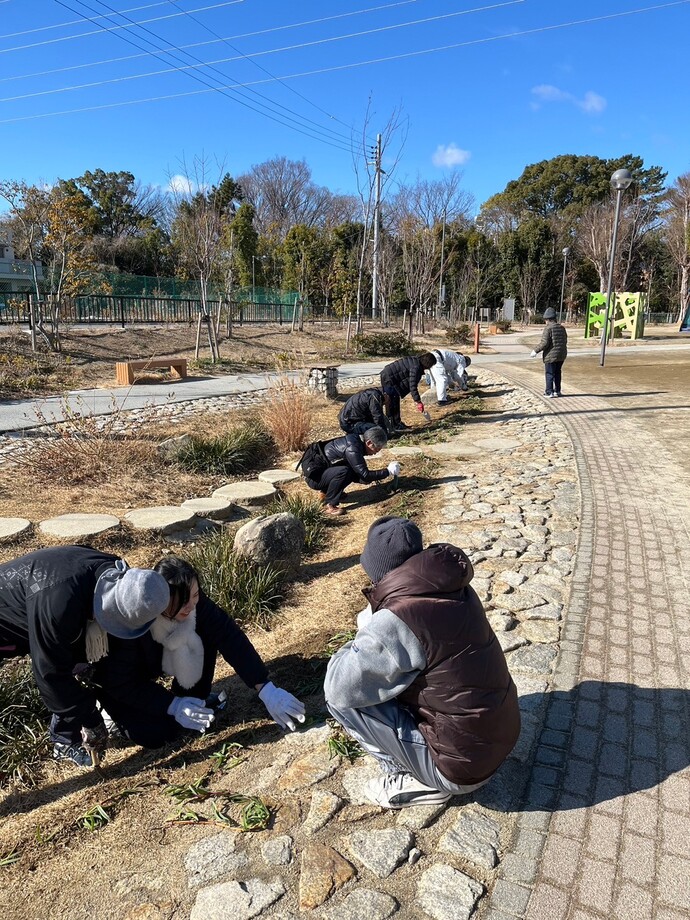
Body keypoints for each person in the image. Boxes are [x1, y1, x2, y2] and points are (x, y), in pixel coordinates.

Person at [324, 516, 521, 809]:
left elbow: (339, 686)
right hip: (500, 735)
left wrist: (365, 631)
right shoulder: (451, 587)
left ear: (377, 570)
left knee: (342, 700)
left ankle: (415, 780)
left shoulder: (397, 619)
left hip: (462, 769)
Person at [92, 556, 305, 748]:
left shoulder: (194, 603)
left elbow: (229, 636)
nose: (190, 605)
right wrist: (172, 705)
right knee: (155, 735)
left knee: (185, 717)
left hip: (163, 658)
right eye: (182, 601)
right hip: (123, 679)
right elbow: (120, 679)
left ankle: (189, 695)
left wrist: (265, 687)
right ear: (161, 600)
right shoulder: (136, 619)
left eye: (195, 595)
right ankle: (109, 710)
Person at [0, 546, 170, 767]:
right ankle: (63, 743)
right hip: (11, 619)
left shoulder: (119, 576)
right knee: (58, 664)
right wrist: (89, 717)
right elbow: (50, 673)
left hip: (42, 601)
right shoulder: (58, 607)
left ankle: (69, 732)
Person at [299, 426, 398, 516]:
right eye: (376, 448)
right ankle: (330, 505)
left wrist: (367, 478)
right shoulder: (353, 448)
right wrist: (388, 471)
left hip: (322, 473)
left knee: (350, 469)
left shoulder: (356, 441)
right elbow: (365, 475)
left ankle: (327, 492)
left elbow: (361, 474)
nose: (376, 452)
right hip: (315, 479)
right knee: (344, 471)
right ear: (369, 443)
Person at [380, 353, 436, 430]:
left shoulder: (415, 360)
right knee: (392, 402)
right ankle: (393, 425)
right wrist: (418, 401)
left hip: (388, 375)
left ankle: (395, 423)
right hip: (389, 378)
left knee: (393, 401)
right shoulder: (416, 367)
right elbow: (412, 385)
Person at [530, 307, 568, 397]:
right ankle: (557, 391)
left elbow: (545, 343)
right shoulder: (562, 328)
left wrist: (535, 351)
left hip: (551, 356)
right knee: (557, 372)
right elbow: (565, 340)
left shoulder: (548, 328)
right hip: (561, 354)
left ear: (547, 319)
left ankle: (549, 391)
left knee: (549, 373)